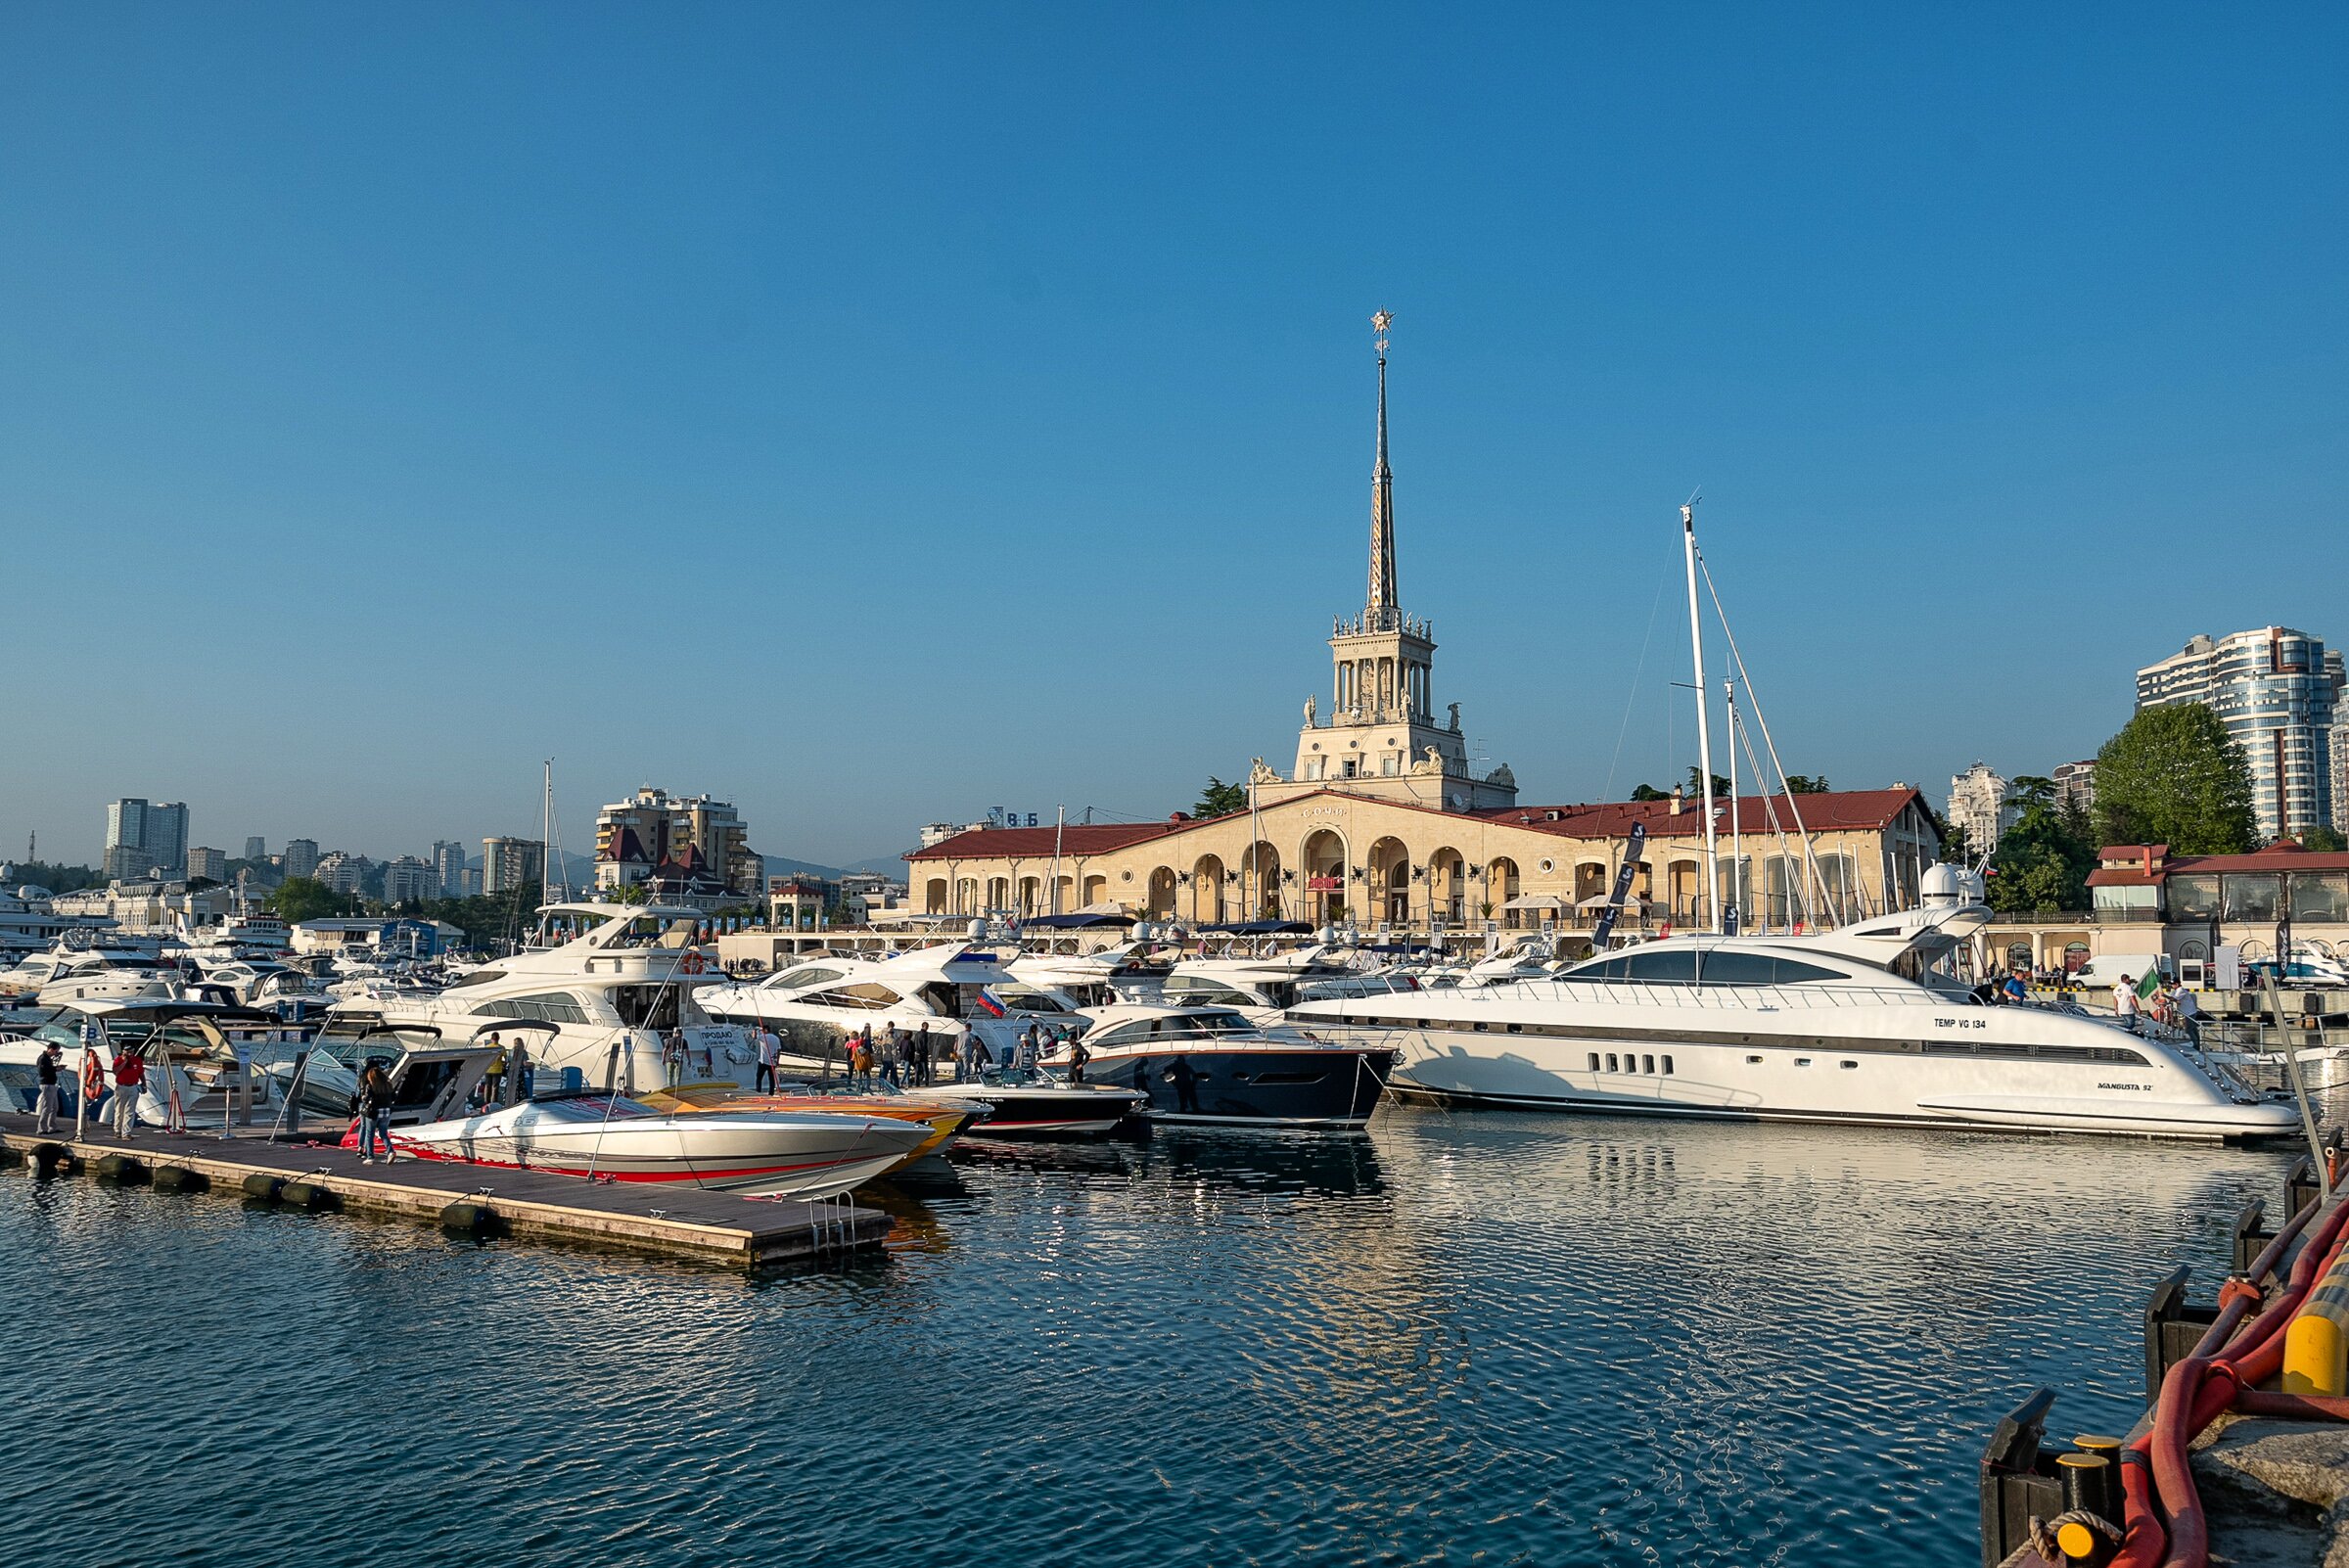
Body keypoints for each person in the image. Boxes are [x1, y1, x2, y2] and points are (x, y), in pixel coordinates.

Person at [355, 1060, 396, 1163]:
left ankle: (370, 1157)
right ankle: (390, 1151)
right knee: (383, 1133)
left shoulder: (371, 1086)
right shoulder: (388, 1085)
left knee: (370, 1134)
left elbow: (365, 1099)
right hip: (386, 1111)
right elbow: (394, 1097)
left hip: (374, 1112)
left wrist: (364, 1096)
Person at [111, 1047, 147, 1139]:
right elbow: (115, 1071)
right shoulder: (118, 1060)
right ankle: (117, 1130)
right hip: (121, 1086)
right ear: (123, 1052)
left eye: (131, 1052)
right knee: (119, 1109)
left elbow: (141, 1073)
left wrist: (144, 1085)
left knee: (130, 1111)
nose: (129, 1054)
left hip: (133, 1086)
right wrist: (124, 1062)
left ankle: (126, 1132)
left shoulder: (137, 1060)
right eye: (127, 1052)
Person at [33, 1039, 63, 1135]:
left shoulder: (48, 1059)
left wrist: (55, 1068)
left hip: (52, 1084)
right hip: (47, 1085)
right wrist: (55, 1069)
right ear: (50, 1049)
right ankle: (41, 1128)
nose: (56, 1053)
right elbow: (42, 1072)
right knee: (47, 1107)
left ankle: (52, 1126)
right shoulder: (43, 1059)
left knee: (55, 1107)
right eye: (55, 1051)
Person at [756, 1026, 781, 1095]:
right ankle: (771, 1093)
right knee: (771, 1079)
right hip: (773, 1061)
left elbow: (754, 1036)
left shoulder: (763, 1037)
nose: (761, 1032)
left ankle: (758, 1091)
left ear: (766, 1030)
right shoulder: (776, 1038)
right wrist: (777, 1061)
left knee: (759, 1077)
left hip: (763, 1061)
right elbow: (779, 1050)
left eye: (762, 1030)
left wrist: (754, 1030)